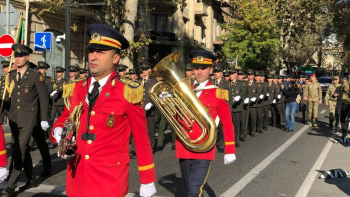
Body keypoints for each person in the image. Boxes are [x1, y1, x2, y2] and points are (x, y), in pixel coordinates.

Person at [51, 23, 156, 197]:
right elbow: (65, 117)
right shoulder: (76, 88)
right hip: (77, 177)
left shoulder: (128, 91)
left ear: (115, 59)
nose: (93, 57)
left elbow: (141, 138)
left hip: (109, 181)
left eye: (101, 52)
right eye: (91, 51)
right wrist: (58, 130)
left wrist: (147, 179)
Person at [176, 50, 236, 197]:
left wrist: (230, 149)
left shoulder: (218, 93)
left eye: (203, 68)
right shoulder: (183, 91)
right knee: (189, 188)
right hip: (184, 146)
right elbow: (176, 117)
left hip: (204, 148)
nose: (199, 71)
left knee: (194, 191)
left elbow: (227, 123)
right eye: (196, 68)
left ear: (210, 70)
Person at [3, 44, 50, 196]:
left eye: (20, 56)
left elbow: (43, 99)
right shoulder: (10, 75)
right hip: (14, 119)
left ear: (27, 57)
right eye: (15, 56)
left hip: (29, 118)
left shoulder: (35, 75)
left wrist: (44, 119)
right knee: (20, 148)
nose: (17, 58)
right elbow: (6, 98)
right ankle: (31, 178)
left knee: (20, 150)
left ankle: (11, 185)